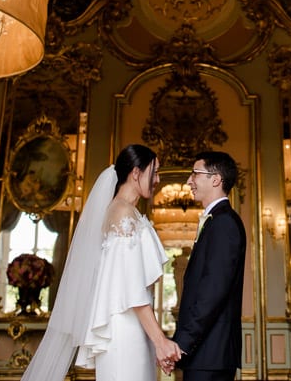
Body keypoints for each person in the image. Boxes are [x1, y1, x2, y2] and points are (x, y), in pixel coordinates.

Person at [22, 144, 181, 381]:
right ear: (136, 173)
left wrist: (154, 339)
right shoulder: (122, 214)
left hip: (134, 326)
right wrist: (160, 340)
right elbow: (132, 288)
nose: (157, 179)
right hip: (124, 327)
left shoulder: (128, 212)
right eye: (154, 171)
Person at [168, 151, 246, 381]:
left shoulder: (224, 223)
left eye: (195, 173)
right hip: (206, 353)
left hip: (211, 353)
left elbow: (212, 292)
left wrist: (182, 343)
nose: (188, 181)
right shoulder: (217, 220)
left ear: (215, 179)